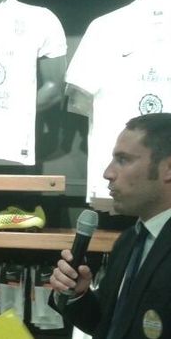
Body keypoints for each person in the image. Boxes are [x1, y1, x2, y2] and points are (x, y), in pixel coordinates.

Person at [50, 113, 171, 339]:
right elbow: (109, 325)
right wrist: (78, 294)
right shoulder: (129, 241)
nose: (108, 173)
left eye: (123, 160)